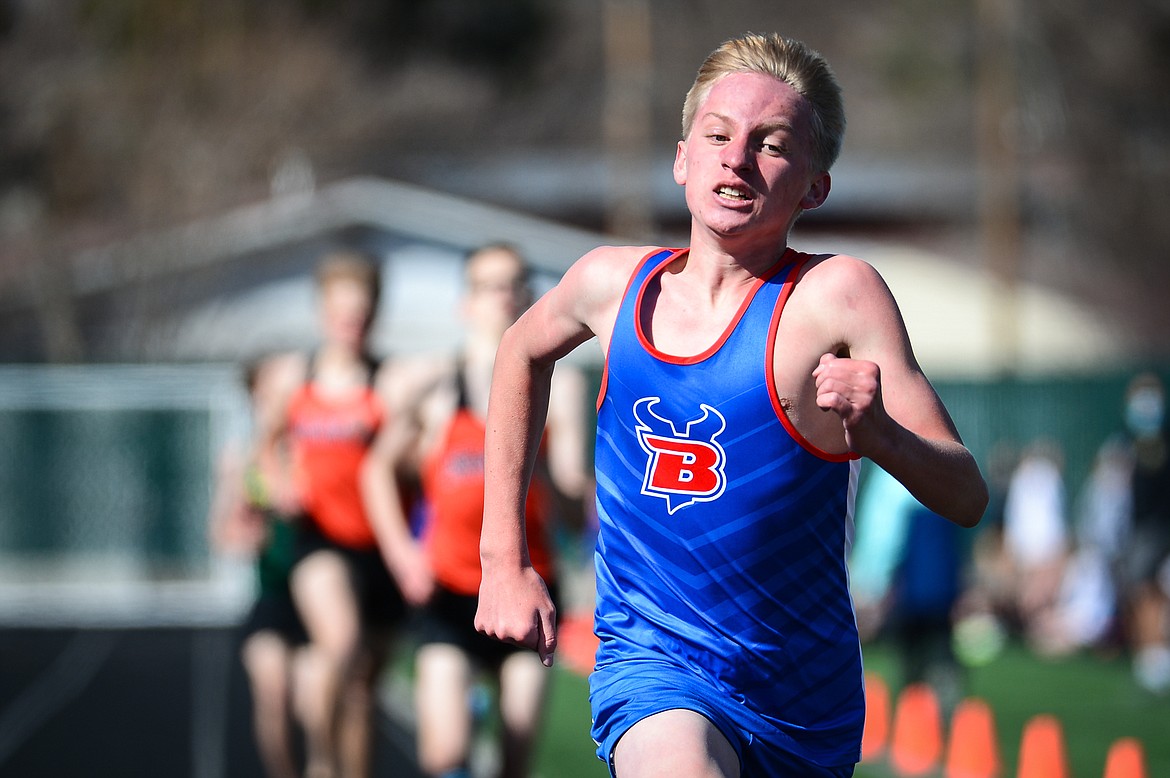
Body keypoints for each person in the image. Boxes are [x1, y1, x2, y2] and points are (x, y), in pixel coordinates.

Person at [473, 32, 988, 778]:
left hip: (801, 695)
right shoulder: (610, 286)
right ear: (683, 157)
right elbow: (520, 352)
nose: (737, 158)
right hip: (652, 664)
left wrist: (879, 436)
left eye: (771, 144)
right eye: (718, 136)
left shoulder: (837, 297)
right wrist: (503, 558)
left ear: (814, 186)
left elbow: (965, 493)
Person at [368, 244, 590, 778]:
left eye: (513, 284)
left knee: (514, 760)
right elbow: (376, 468)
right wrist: (402, 555)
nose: (502, 297)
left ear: (530, 297)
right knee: (445, 758)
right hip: (451, 592)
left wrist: (531, 463)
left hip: (529, 587)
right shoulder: (437, 387)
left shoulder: (562, 389)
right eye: (488, 286)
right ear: (465, 303)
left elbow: (577, 511)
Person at [261, 250, 432, 778]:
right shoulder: (293, 376)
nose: (352, 327)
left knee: (363, 691)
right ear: (323, 313)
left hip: (379, 546)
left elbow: (423, 453)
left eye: (362, 316)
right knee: (342, 643)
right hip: (318, 538)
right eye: (342, 315)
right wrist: (278, 484)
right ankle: (319, 760)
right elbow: (263, 448)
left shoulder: (391, 381)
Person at [208, 357, 307, 778]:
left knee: (317, 703)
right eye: (272, 393)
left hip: (320, 590)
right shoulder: (241, 457)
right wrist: (249, 527)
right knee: (272, 689)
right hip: (271, 591)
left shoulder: (307, 446)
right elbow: (222, 535)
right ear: (256, 397)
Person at [1118, 372, 1170, 693]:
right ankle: (1150, 654)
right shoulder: (1128, 441)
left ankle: (1155, 654)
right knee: (1142, 590)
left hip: (1157, 525)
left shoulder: (1159, 441)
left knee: (1148, 590)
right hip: (1140, 526)